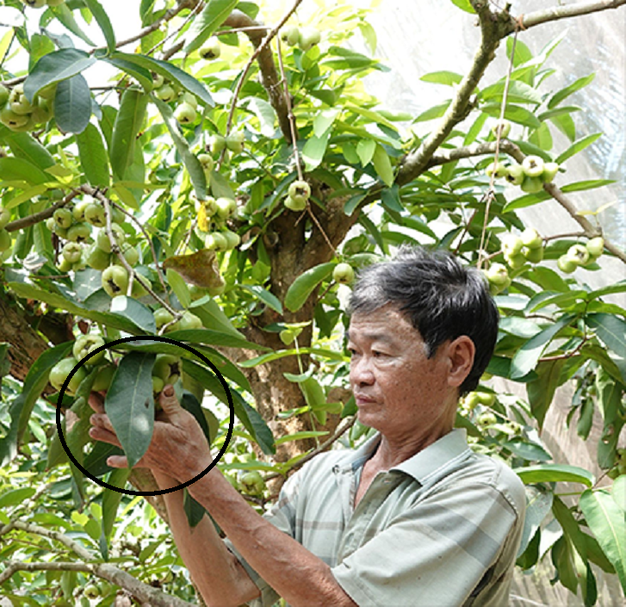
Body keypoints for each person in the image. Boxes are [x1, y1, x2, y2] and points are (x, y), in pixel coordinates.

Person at [88, 247, 526, 607]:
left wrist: (201, 473)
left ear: (456, 362)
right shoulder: (323, 475)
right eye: (355, 352)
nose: (359, 374)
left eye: (381, 353)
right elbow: (228, 588)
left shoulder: (484, 490)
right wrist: (164, 456)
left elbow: (339, 603)